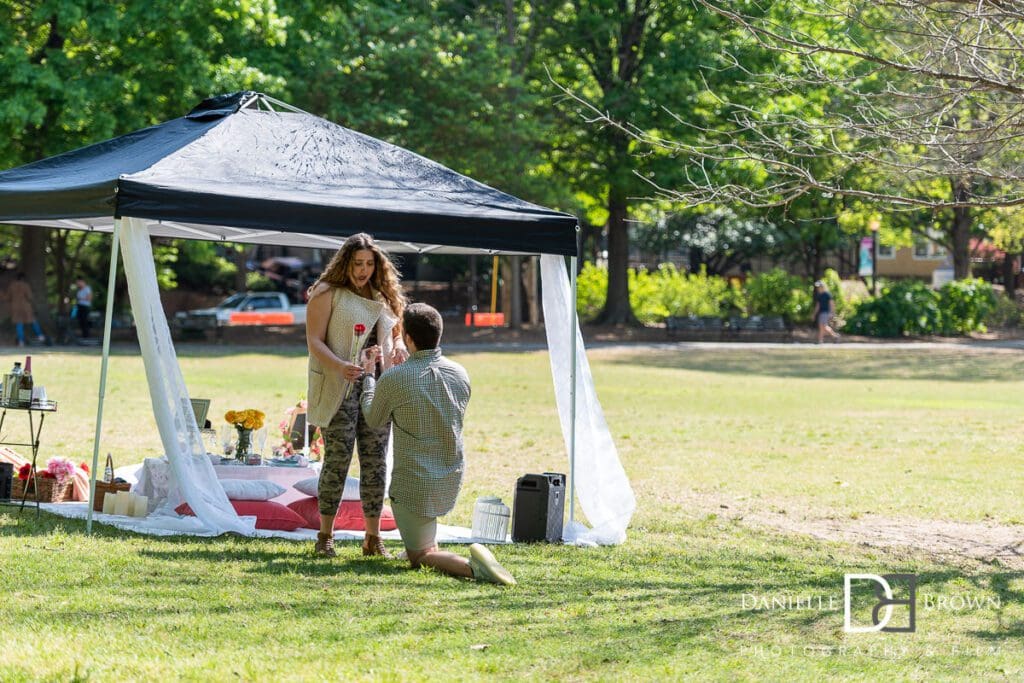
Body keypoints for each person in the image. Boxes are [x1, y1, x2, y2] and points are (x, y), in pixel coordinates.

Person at [358, 303, 516, 585]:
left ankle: (474, 568)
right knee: (422, 543)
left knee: (421, 556)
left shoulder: (395, 378)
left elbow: (372, 418)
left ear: (407, 338)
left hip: (413, 482)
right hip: (449, 476)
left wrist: (370, 375)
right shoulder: (459, 373)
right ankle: (428, 550)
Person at [305, 233, 409, 558]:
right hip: (341, 385)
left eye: (369, 263)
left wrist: (401, 346)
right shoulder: (326, 293)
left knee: (376, 461)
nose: (363, 270)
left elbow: (395, 335)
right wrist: (340, 366)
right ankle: (325, 536)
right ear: (345, 262)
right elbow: (314, 341)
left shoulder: (383, 295)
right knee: (337, 460)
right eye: (357, 263)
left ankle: (372, 537)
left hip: (378, 388)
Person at [6, 273, 45, 347]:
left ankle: (21, 341)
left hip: (15, 307)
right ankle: (40, 336)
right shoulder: (26, 285)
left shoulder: (12, 286)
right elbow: (30, 297)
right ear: (24, 278)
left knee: (19, 324)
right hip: (26, 307)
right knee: (33, 321)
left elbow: (8, 297)